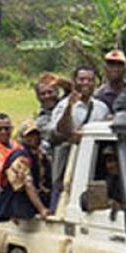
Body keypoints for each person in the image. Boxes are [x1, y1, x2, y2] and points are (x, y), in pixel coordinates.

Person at [49, 66, 111, 204]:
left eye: (90, 80)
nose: (86, 83)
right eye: (82, 79)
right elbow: (60, 131)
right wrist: (69, 108)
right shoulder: (63, 105)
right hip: (68, 159)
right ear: (74, 81)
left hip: (92, 162)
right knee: (63, 192)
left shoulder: (101, 107)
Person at [0, 123, 50, 222]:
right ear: (22, 138)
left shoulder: (41, 155)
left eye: (36, 134)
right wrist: (42, 209)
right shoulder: (21, 157)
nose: (34, 138)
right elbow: (27, 184)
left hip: (33, 196)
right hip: (17, 198)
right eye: (29, 135)